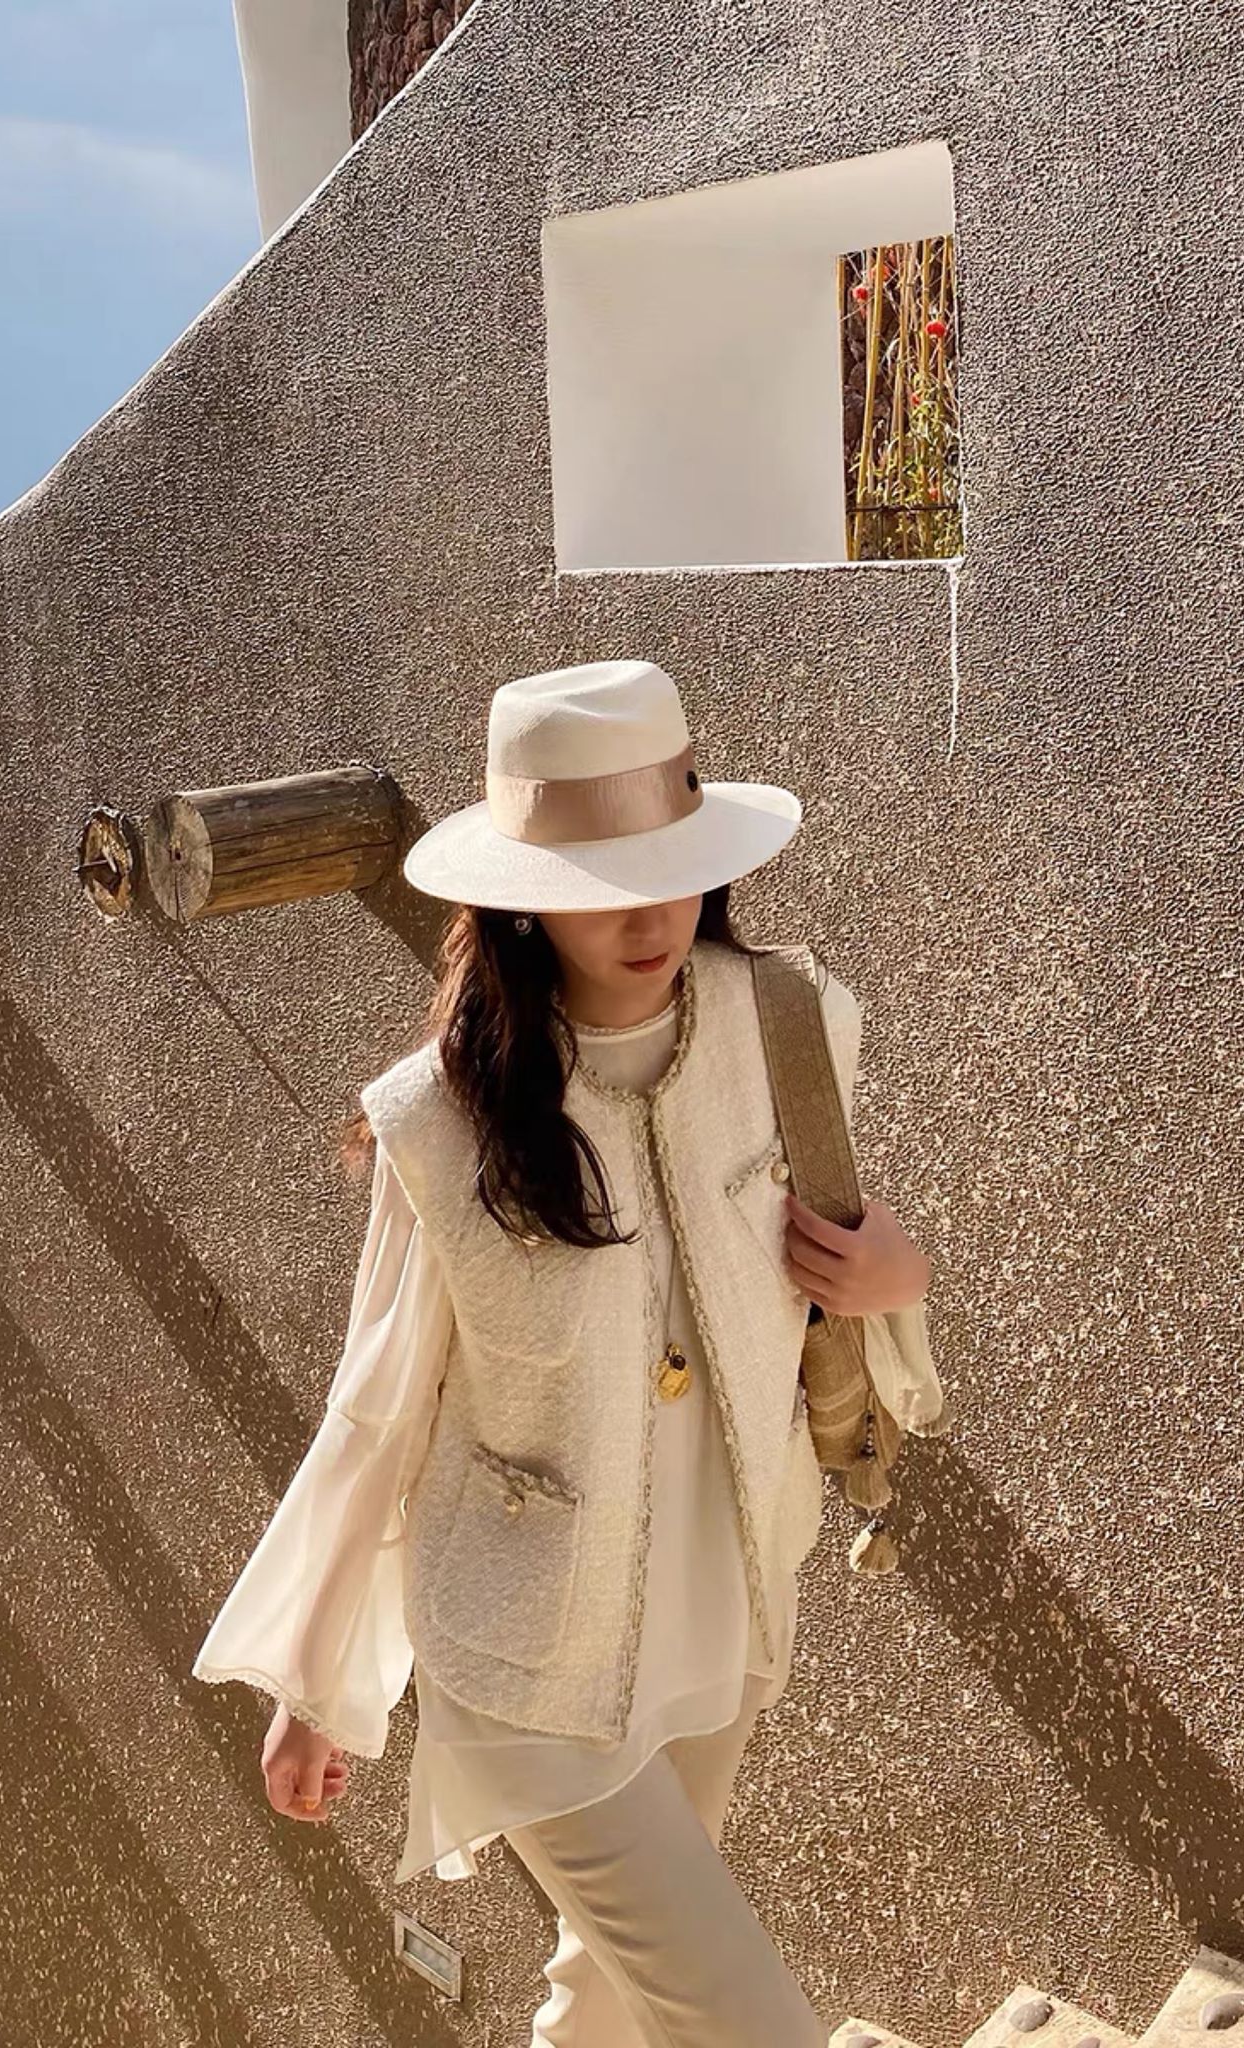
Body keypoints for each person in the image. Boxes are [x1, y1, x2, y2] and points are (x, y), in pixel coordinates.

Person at [191, 657, 945, 2048]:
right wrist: (320, 1685)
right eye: (600, 885)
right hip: (533, 1658)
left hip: (724, 1599)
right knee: (750, 2026)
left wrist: (900, 1275)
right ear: (524, 897)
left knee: (606, 1998)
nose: (647, 917)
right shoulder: (443, 1122)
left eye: (669, 871)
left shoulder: (793, 1025)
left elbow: (834, 1272)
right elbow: (379, 1408)